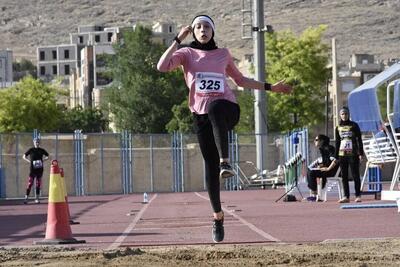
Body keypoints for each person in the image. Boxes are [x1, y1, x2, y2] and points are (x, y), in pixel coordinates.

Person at [157, 15, 291, 242]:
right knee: (209, 165)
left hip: (227, 109)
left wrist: (271, 87)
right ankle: (217, 216)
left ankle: (225, 161)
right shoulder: (186, 54)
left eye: (207, 26)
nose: (203, 30)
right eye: (198, 27)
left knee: (216, 106)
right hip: (200, 116)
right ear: (192, 31)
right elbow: (161, 66)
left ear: (213, 31)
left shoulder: (223, 54)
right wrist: (177, 40)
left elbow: (240, 80)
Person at [335, 107, 364, 203]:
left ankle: (358, 195)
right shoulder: (338, 127)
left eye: (346, 114)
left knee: (355, 175)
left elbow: (359, 140)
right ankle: (346, 196)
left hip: (353, 154)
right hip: (342, 154)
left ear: (348, 115)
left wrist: (361, 153)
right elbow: (337, 142)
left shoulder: (354, 125)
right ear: (340, 115)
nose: (344, 116)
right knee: (344, 176)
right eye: (342, 114)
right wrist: (336, 156)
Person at [306, 134, 338, 202]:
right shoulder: (323, 149)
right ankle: (315, 193)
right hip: (327, 170)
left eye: (316, 140)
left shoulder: (329, 148)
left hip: (332, 171)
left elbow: (335, 160)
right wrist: (321, 166)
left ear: (322, 141)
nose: (314, 141)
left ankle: (315, 193)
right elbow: (327, 161)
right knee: (310, 170)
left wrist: (328, 168)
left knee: (311, 172)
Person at [22, 138, 49, 204]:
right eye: (36, 142)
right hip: (32, 170)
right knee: (30, 183)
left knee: (38, 184)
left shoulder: (42, 150)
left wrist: (42, 161)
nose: (37, 143)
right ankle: (26, 198)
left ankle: (37, 198)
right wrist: (29, 161)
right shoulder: (31, 150)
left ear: (39, 143)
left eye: (38, 142)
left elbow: (47, 156)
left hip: (39, 169)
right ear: (33, 142)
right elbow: (24, 156)